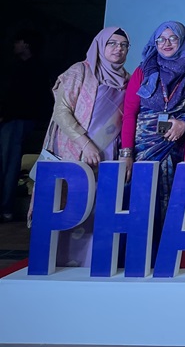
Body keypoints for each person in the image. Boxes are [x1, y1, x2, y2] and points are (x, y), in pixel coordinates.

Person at [43, 26, 131, 266]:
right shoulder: (80, 71)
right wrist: (86, 143)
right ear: (100, 45)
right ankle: (61, 260)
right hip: (75, 150)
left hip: (108, 155)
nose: (118, 49)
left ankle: (91, 261)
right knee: (69, 205)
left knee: (99, 208)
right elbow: (61, 112)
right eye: (112, 43)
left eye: (123, 45)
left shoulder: (127, 80)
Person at [120, 21, 185, 259]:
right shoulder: (143, 71)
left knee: (173, 203)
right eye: (161, 39)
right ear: (154, 42)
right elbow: (129, 113)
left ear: (183, 41)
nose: (166, 43)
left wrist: (184, 123)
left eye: (173, 38)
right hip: (143, 148)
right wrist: (127, 154)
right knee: (141, 201)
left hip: (176, 147)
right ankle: (137, 258)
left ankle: (167, 258)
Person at [1, 30, 51, 222]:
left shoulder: (34, 69)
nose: (15, 45)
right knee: (8, 163)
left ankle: (6, 208)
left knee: (9, 163)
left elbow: (27, 97)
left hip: (17, 120)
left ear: (26, 45)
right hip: (14, 119)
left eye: (18, 42)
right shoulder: (18, 67)